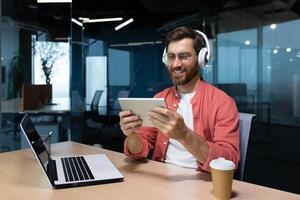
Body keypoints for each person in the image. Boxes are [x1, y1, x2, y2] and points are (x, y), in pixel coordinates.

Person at [119, 26, 240, 173]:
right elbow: (139, 150)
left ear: (201, 58)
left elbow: (229, 162)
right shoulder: (160, 98)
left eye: (184, 56)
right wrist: (132, 135)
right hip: (161, 180)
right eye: (171, 57)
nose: (176, 64)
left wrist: (184, 134)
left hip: (202, 183)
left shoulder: (223, 103)